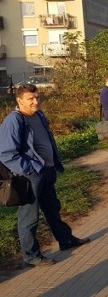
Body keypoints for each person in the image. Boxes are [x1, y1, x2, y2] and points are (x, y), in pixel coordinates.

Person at [0, 84, 90, 267]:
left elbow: (47, 140)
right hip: (30, 175)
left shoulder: (39, 115)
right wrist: (30, 169)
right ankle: (31, 256)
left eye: (37, 97)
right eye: (30, 99)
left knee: (52, 208)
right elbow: (6, 153)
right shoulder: (14, 120)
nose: (36, 102)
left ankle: (66, 240)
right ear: (19, 100)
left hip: (47, 171)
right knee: (29, 217)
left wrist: (53, 162)